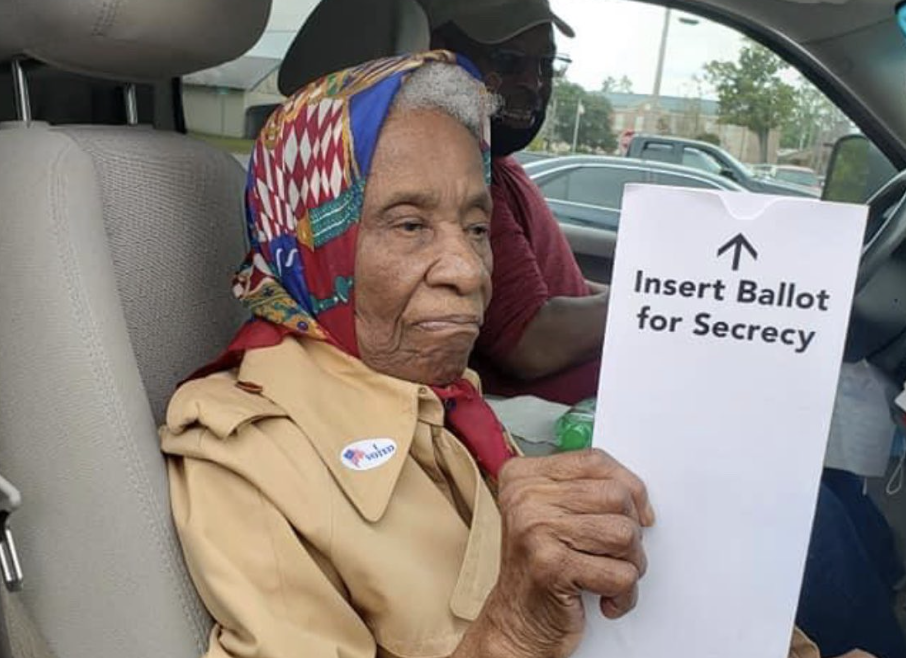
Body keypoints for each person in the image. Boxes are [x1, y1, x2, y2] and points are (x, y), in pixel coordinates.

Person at [160, 52, 842, 658]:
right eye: (408, 224)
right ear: (311, 240)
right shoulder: (246, 453)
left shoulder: (452, 405)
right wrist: (513, 633)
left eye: (478, 225)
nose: (468, 268)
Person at [425, 0, 605, 405]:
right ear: (440, 56)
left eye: (546, 64)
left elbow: (554, 282)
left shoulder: (497, 161)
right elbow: (530, 342)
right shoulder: (458, 173)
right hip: (534, 432)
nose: (534, 82)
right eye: (508, 61)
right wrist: (648, 305)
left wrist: (644, 292)